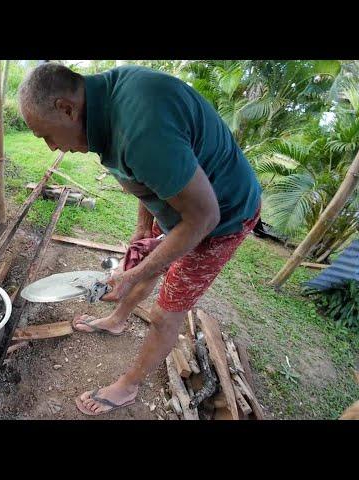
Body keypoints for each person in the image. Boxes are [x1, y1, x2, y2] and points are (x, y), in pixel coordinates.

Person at [17, 63, 262, 416]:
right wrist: (142, 231)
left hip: (223, 215)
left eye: (46, 136)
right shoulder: (103, 107)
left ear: (66, 108)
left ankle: (127, 387)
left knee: (166, 311)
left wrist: (132, 275)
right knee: (146, 261)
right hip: (187, 204)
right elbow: (143, 180)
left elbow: (204, 217)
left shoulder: (142, 129)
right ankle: (118, 320)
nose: (52, 146)